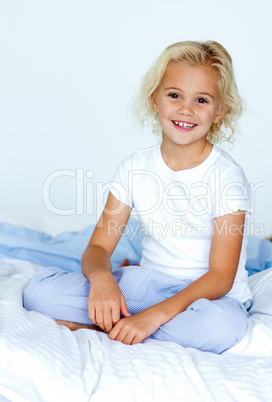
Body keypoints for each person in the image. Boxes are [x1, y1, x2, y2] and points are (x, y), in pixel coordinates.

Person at [24, 40, 253, 354]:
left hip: (209, 300)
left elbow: (220, 277)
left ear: (219, 112)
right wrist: (103, 278)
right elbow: (98, 247)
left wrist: (152, 317)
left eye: (201, 100)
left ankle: (102, 328)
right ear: (154, 101)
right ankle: (128, 325)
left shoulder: (226, 176)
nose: (186, 109)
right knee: (40, 294)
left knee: (221, 331)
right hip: (148, 286)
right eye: (174, 95)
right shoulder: (134, 168)